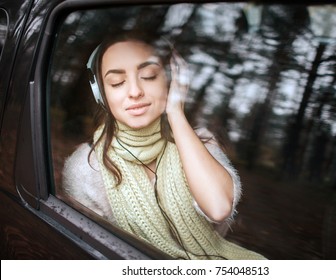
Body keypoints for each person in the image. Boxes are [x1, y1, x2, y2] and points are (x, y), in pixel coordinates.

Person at [62, 30, 265, 260]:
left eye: (148, 75)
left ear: (169, 81)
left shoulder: (200, 143)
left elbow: (218, 208)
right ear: (102, 95)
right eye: (117, 82)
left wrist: (176, 112)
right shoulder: (86, 168)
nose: (135, 91)